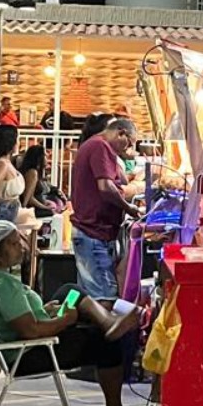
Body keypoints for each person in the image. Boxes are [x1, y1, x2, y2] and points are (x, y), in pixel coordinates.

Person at [0, 219, 148, 406]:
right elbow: (30, 331)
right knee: (105, 342)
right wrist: (64, 320)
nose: (21, 247)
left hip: (27, 345)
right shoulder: (1, 285)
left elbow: (19, 318)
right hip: (30, 354)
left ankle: (108, 321)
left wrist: (45, 311)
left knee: (70, 291)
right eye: (13, 244)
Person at [70, 117, 140, 300]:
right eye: (129, 143)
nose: (127, 149)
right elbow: (106, 187)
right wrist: (128, 208)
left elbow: (118, 182)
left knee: (87, 295)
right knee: (104, 297)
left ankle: (66, 315)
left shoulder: (96, 146)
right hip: (93, 233)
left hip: (90, 231)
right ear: (121, 133)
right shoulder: (100, 146)